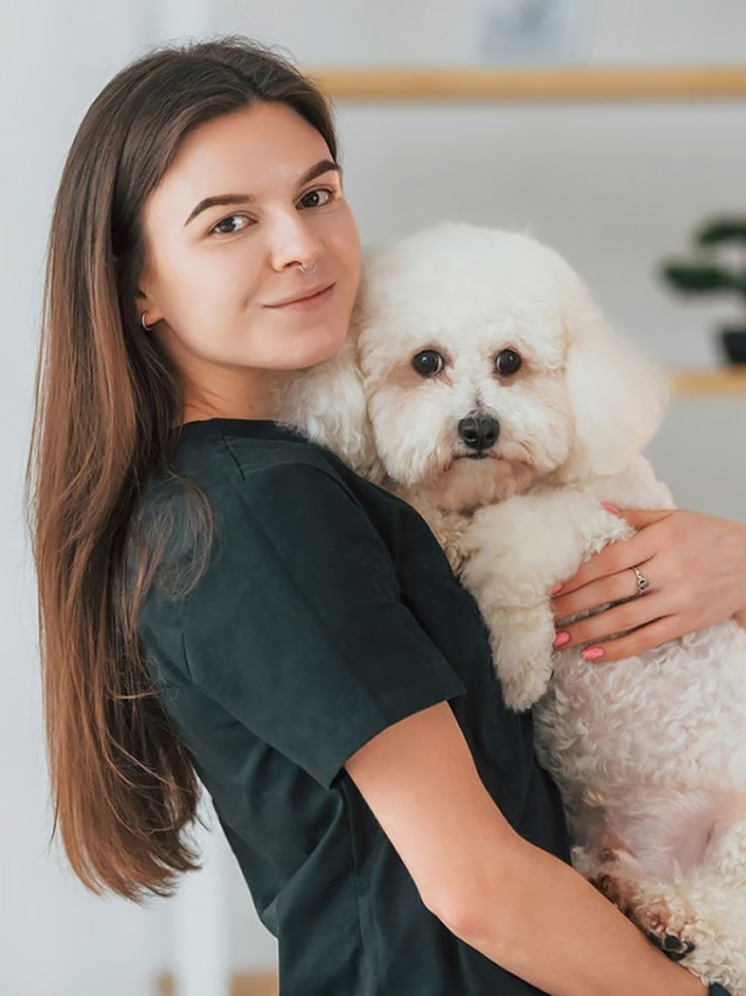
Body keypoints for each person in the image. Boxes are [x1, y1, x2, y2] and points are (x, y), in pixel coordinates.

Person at [27, 36, 739, 996]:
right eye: (230, 222)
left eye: (316, 195)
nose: (300, 245)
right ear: (137, 283)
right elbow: (477, 887)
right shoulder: (264, 507)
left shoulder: (260, 486)